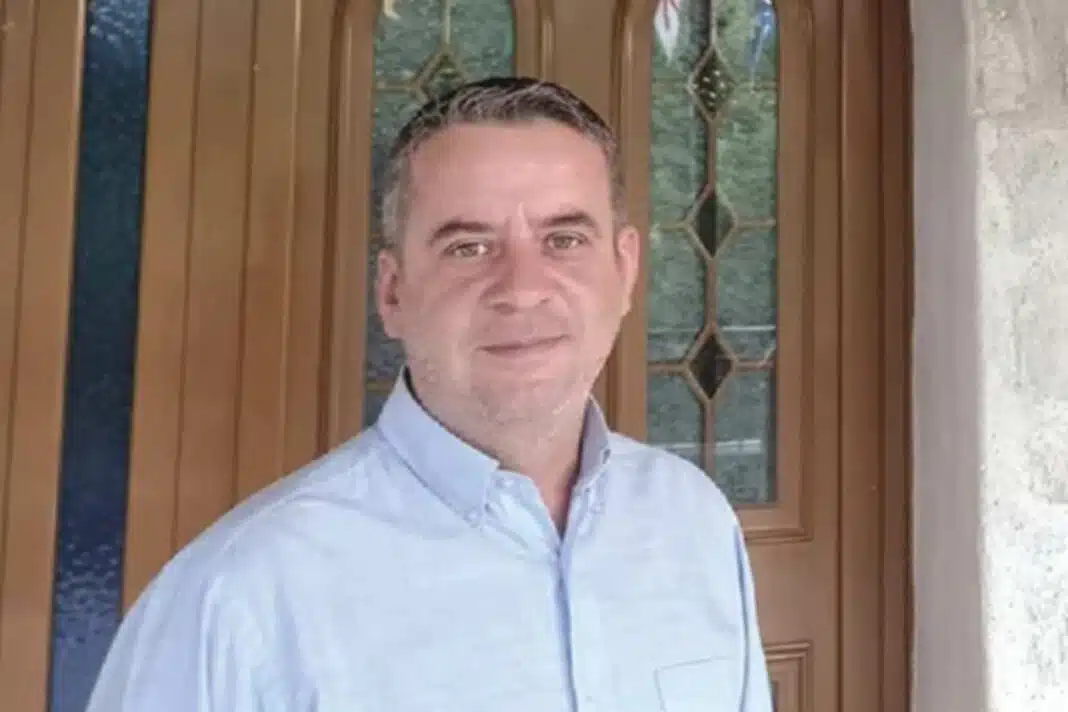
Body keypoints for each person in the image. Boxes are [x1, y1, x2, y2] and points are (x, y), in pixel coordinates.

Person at [86, 76, 773, 712]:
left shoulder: (694, 523)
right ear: (393, 294)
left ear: (624, 272)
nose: (522, 288)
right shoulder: (238, 595)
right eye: (468, 247)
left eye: (564, 239)